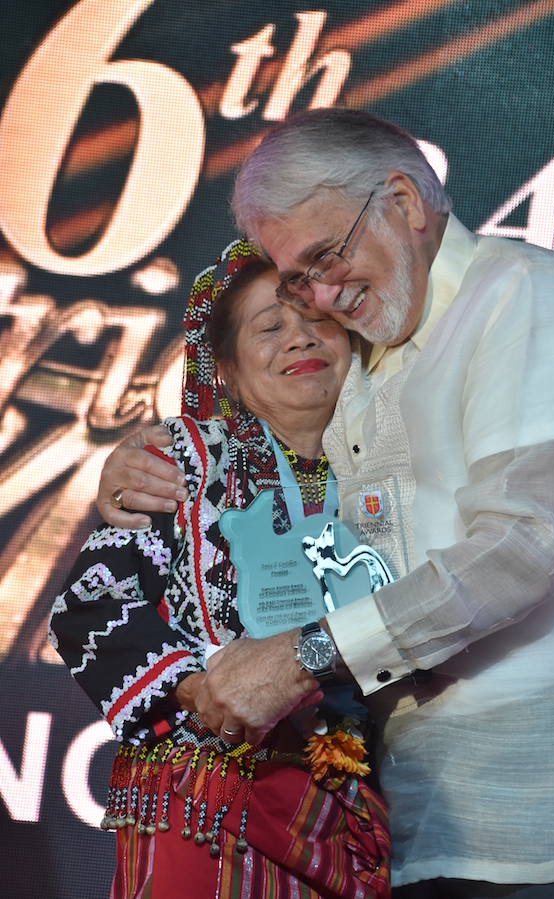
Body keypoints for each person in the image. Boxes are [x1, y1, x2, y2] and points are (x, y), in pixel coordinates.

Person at [97, 109, 554, 898]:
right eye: (298, 278)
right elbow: (254, 449)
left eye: (327, 257)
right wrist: (141, 467)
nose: (323, 297)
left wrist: (304, 654)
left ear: (403, 200)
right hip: (399, 832)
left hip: (539, 826)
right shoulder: (364, 357)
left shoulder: (523, 296)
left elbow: (521, 549)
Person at [49, 243, 391, 899]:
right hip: (212, 810)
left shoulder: (388, 469)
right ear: (228, 368)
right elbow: (90, 604)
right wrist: (199, 688)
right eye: (270, 326)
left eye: (318, 321)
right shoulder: (185, 463)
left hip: (346, 814)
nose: (300, 338)